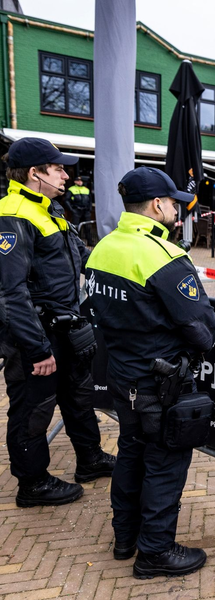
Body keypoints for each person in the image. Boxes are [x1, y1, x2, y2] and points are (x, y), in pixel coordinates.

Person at [86, 167, 215, 579]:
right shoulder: (163, 256)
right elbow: (203, 329)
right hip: (161, 384)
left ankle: (125, 538)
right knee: (164, 464)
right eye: (174, 203)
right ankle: (155, 552)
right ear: (157, 205)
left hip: (123, 376)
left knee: (130, 453)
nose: (178, 210)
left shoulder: (103, 247)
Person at [0, 137, 115, 508]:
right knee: (33, 409)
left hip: (67, 329)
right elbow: (10, 292)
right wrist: (37, 349)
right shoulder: (13, 214)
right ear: (35, 173)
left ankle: (90, 459)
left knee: (78, 396)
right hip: (35, 336)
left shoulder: (51, 210)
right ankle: (32, 484)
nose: (66, 175)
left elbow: (81, 256)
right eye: (58, 168)